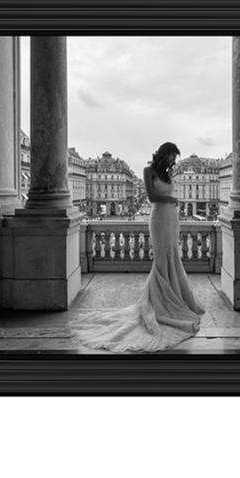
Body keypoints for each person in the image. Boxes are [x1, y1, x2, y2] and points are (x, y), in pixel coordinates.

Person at [69, 142, 205, 352]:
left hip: (172, 217)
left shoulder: (168, 174)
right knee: (161, 258)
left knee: (173, 255)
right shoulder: (148, 170)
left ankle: (176, 296)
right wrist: (172, 198)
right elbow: (151, 197)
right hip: (159, 216)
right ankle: (158, 300)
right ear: (163, 154)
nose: (172, 161)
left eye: (174, 159)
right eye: (171, 157)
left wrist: (172, 201)